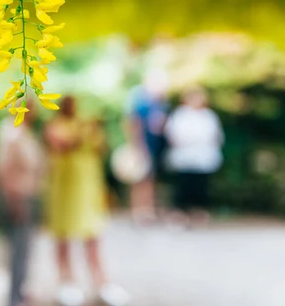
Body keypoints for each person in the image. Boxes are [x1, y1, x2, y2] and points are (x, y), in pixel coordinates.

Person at [45, 96, 129, 306]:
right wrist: (84, 130)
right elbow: (62, 144)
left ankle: (101, 283)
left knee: (93, 236)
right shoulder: (56, 126)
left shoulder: (86, 125)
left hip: (87, 189)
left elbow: (101, 148)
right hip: (64, 189)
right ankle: (66, 281)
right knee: (63, 236)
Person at [0, 97, 45, 306]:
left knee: (25, 248)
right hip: (18, 197)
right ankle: (14, 297)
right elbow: (3, 170)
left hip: (27, 195)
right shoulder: (11, 132)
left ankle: (20, 291)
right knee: (18, 249)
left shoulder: (22, 131)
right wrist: (13, 201)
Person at [164, 87, 224, 225]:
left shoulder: (209, 116)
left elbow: (215, 136)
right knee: (183, 185)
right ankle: (179, 212)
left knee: (201, 185)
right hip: (184, 156)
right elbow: (173, 135)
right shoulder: (180, 115)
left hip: (203, 157)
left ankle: (199, 211)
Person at [127, 71, 169, 221]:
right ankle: (138, 209)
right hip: (142, 144)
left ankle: (149, 208)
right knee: (139, 177)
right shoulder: (140, 102)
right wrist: (137, 144)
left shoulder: (160, 103)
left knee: (151, 178)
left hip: (155, 145)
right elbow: (133, 123)